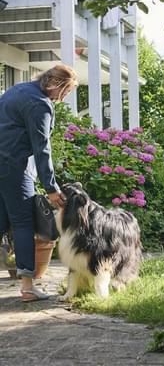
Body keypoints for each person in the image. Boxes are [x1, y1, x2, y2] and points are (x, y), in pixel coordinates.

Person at [0, 64, 78, 302]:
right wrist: (51, 187)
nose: (62, 98)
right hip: (14, 167)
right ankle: (27, 287)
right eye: (65, 93)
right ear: (57, 85)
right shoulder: (40, 104)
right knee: (23, 223)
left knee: (1, 221)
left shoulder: (17, 90)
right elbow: (41, 148)